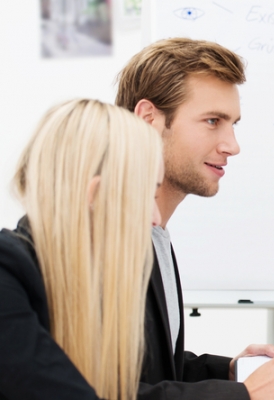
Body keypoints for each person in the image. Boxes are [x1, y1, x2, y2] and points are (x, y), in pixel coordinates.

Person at [115, 38, 274, 399]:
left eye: (233, 124)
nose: (232, 145)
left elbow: (151, 366)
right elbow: (92, 389)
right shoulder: (99, 236)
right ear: (148, 119)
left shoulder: (154, 233)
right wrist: (243, 395)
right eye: (213, 121)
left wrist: (230, 371)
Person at [0, 99, 162, 399]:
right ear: (97, 194)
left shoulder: (71, 279)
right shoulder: (7, 275)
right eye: (148, 194)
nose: (156, 218)